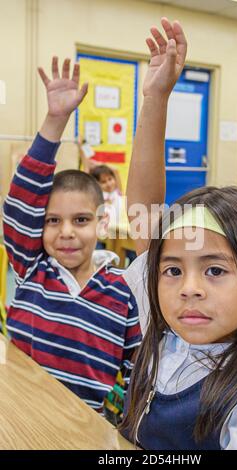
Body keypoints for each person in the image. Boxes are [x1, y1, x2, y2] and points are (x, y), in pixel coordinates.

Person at [119, 18, 237, 449]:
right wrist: (155, 98)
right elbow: (143, 215)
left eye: (215, 270)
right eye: (172, 271)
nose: (189, 289)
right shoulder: (167, 330)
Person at [3, 57, 141, 416]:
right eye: (52, 220)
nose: (66, 232)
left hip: (82, 424)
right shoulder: (32, 269)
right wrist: (55, 121)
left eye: (80, 220)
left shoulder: (123, 290)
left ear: (101, 221)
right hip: (16, 411)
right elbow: (21, 200)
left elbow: (138, 369)